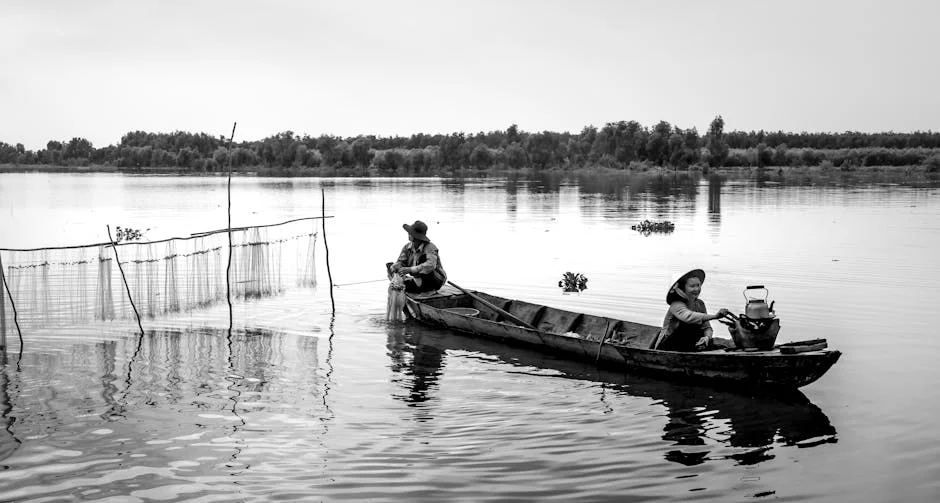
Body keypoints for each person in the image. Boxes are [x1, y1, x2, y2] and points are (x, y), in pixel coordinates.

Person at [652, 269, 734, 352]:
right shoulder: (676, 304)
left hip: (689, 344)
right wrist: (715, 316)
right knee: (689, 326)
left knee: (716, 344)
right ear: (682, 288)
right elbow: (689, 317)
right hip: (667, 347)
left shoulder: (700, 304)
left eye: (698, 285)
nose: (697, 289)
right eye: (692, 286)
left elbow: (707, 327)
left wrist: (706, 338)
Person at [388, 220, 447, 294]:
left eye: (410, 233)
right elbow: (401, 261)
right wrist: (397, 266)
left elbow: (431, 265)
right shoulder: (407, 247)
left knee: (423, 259)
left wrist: (410, 269)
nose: (408, 234)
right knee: (391, 269)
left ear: (415, 236)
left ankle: (426, 288)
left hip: (436, 280)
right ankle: (417, 286)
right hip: (419, 280)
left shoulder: (430, 247)